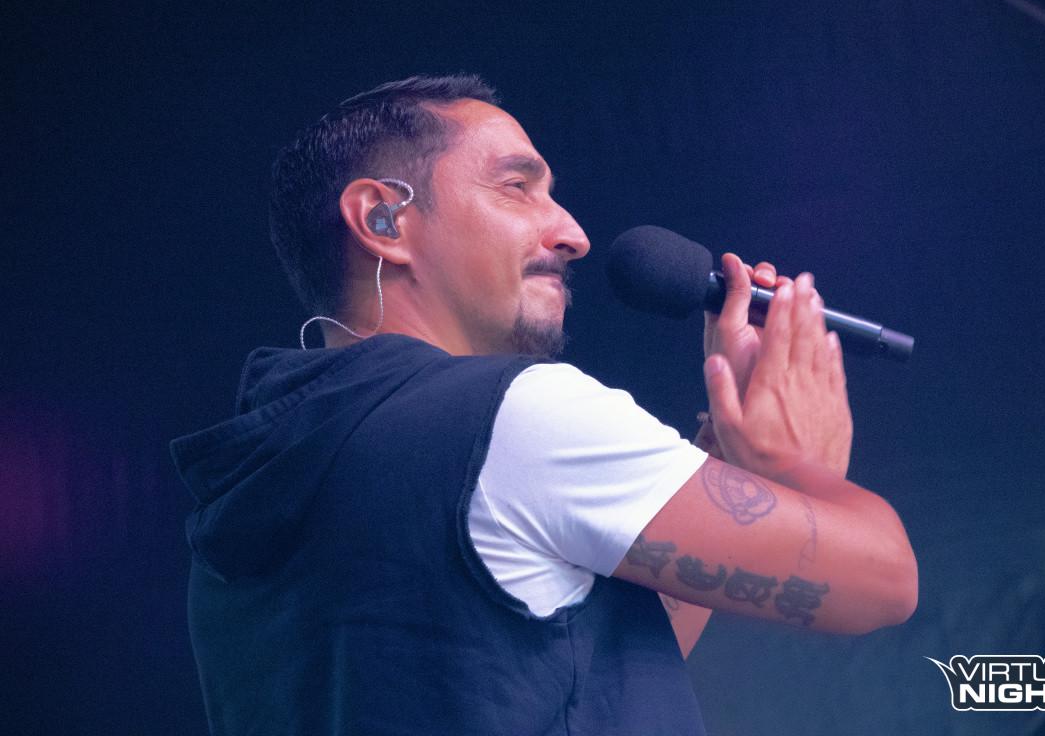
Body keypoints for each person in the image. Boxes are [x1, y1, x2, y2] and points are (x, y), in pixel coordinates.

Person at [170, 75, 917, 735]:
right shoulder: (513, 416)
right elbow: (882, 582)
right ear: (383, 220)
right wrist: (789, 461)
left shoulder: (245, 499)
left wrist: (723, 454)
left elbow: (585, 671)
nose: (573, 235)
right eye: (517, 187)